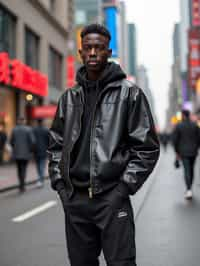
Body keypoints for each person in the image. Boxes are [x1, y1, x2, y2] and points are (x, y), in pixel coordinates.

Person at [48, 24, 160, 266]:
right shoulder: (69, 98)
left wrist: (123, 189)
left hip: (111, 198)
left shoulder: (130, 94)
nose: (92, 53)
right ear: (80, 52)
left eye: (98, 48)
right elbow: (55, 144)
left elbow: (147, 147)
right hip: (75, 201)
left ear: (108, 52)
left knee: (121, 263)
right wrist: (60, 186)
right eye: (87, 48)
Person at [172, 109, 200, 200]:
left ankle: (188, 189)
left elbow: (175, 140)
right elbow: (199, 138)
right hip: (193, 151)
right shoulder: (195, 125)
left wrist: (176, 152)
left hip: (183, 152)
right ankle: (190, 187)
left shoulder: (179, 126)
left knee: (187, 170)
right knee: (191, 170)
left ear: (183, 115)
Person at [10, 117, 35, 192]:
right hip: (26, 153)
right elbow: (33, 141)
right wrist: (30, 150)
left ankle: (21, 184)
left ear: (18, 121)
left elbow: (11, 141)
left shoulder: (14, 129)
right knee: (24, 169)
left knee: (19, 169)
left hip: (17, 153)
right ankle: (22, 185)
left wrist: (15, 147)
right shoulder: (28, 129)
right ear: (24, 121)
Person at [33, 119, 49, 187]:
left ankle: (40, 178)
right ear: (42, 122)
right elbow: (49, 140)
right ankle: (41, 179)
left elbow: (32, 140)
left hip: (36, 151)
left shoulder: (34, 130)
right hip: (43, 150)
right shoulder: (46, 130)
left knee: (38, 166)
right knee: (42, 165)